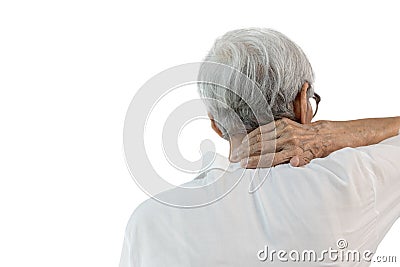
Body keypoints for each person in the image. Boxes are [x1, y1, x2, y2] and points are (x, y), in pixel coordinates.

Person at [120, 28, 400, 266]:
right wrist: (329, 133)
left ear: (215, 124)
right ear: (303, 103)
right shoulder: (351, 181)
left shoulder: (148, 222)